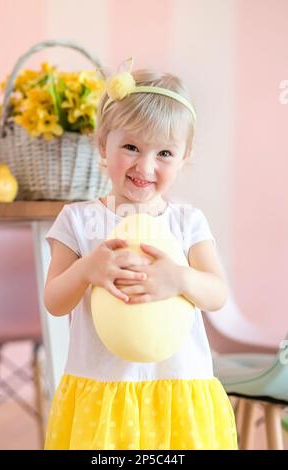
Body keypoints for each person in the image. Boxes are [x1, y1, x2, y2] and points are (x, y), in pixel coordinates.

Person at [43, 59, 238, 450]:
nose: (145, 165)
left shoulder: (187, 222)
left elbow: (216, 294)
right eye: (131, 146)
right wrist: (85, 270)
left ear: (185, 157)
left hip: (178, 385)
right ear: (103, 144)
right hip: (103, 388)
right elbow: (54, 301)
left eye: (165, 152)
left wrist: (180, 278)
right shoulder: (78, 220)